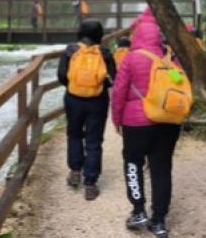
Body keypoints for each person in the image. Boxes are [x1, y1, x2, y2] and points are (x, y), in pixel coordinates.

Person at [113, 22, 182, 238]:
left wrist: (117, 121)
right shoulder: (170, 58)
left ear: (138, 37)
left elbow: (118, 92)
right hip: (168, 122)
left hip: (136, 123)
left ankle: (139, 211)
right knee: (161, 169)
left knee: (133, 164)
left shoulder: (130, 58)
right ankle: (159, 222)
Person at [57, 19, 117, 201]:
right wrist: (99, 84)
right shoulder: (105, 53)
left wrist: (74, 86)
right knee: (94, 140)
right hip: (97, 101)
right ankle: (90, 183)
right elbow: (114, 78)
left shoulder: (70, 50)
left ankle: (75, 172)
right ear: (99, 34)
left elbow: (61, 75)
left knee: (74, 134)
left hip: (73, 99)